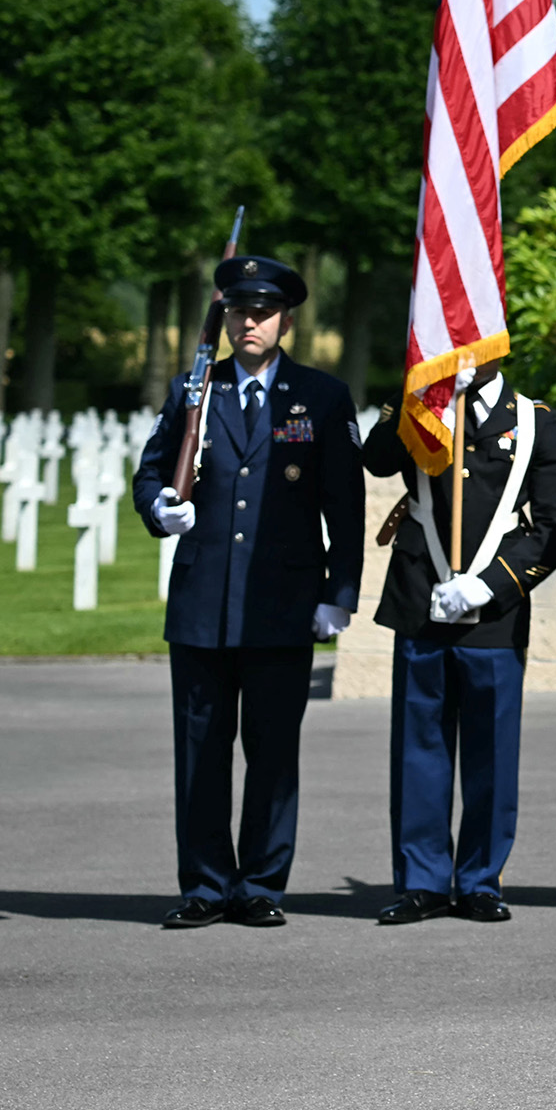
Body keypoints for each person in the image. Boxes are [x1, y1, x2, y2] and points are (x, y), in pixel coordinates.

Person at [132, 256, 363, 929]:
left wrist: (337, 592)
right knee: (201, 753)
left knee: (272, 752)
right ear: (225, 316)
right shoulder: (193, 390)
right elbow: (150, 475)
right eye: (238, 311)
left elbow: (343, 505)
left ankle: (261, 882)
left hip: (284, 606)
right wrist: (160, 509)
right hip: (204, 605)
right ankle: (205, 884)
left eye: (262, 311)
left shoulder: (321, 396)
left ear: (286, 319)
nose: (249, 322)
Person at [360, 363, 556, 925]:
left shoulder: (534, 423)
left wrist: (491, 584)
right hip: (421, 599)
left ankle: (481, 879)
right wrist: (421, 398)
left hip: (492, 613)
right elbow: (378, 459)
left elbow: (555, 526)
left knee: (492, 752)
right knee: (419, 749)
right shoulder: (419, 404)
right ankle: (423, 882)